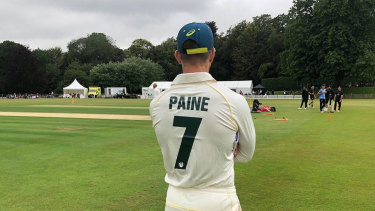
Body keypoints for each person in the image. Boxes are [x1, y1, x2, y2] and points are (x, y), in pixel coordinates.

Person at [149, 22, 256, 211]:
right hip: (219, 201)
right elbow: (246, 155)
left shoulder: (157, 103)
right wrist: (227, 149)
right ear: (212, 54)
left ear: (177, 56)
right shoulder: (233, 101)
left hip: (174, 201)